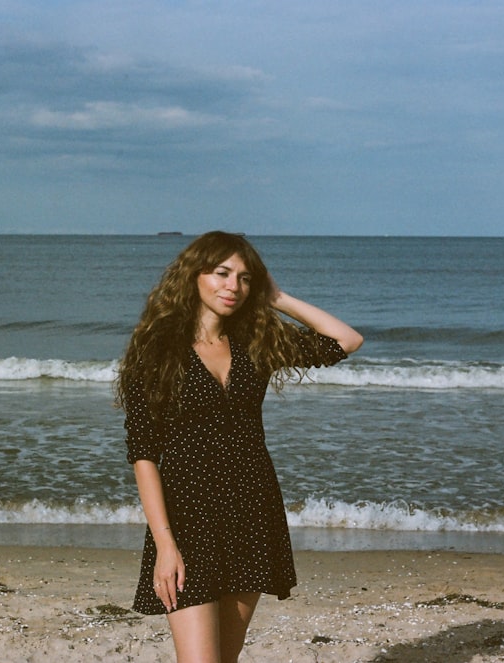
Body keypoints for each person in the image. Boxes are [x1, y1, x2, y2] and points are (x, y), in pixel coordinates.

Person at [116, 231, 363, 662]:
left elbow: (345, 341)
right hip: (187, 517)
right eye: (222, 273)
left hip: (252, 509)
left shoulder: (255, 342)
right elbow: (144, 454)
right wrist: (165, 545)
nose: (233, 286)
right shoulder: (156, 352)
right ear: (193, 276)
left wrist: (279, 297)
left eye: (246, 278)